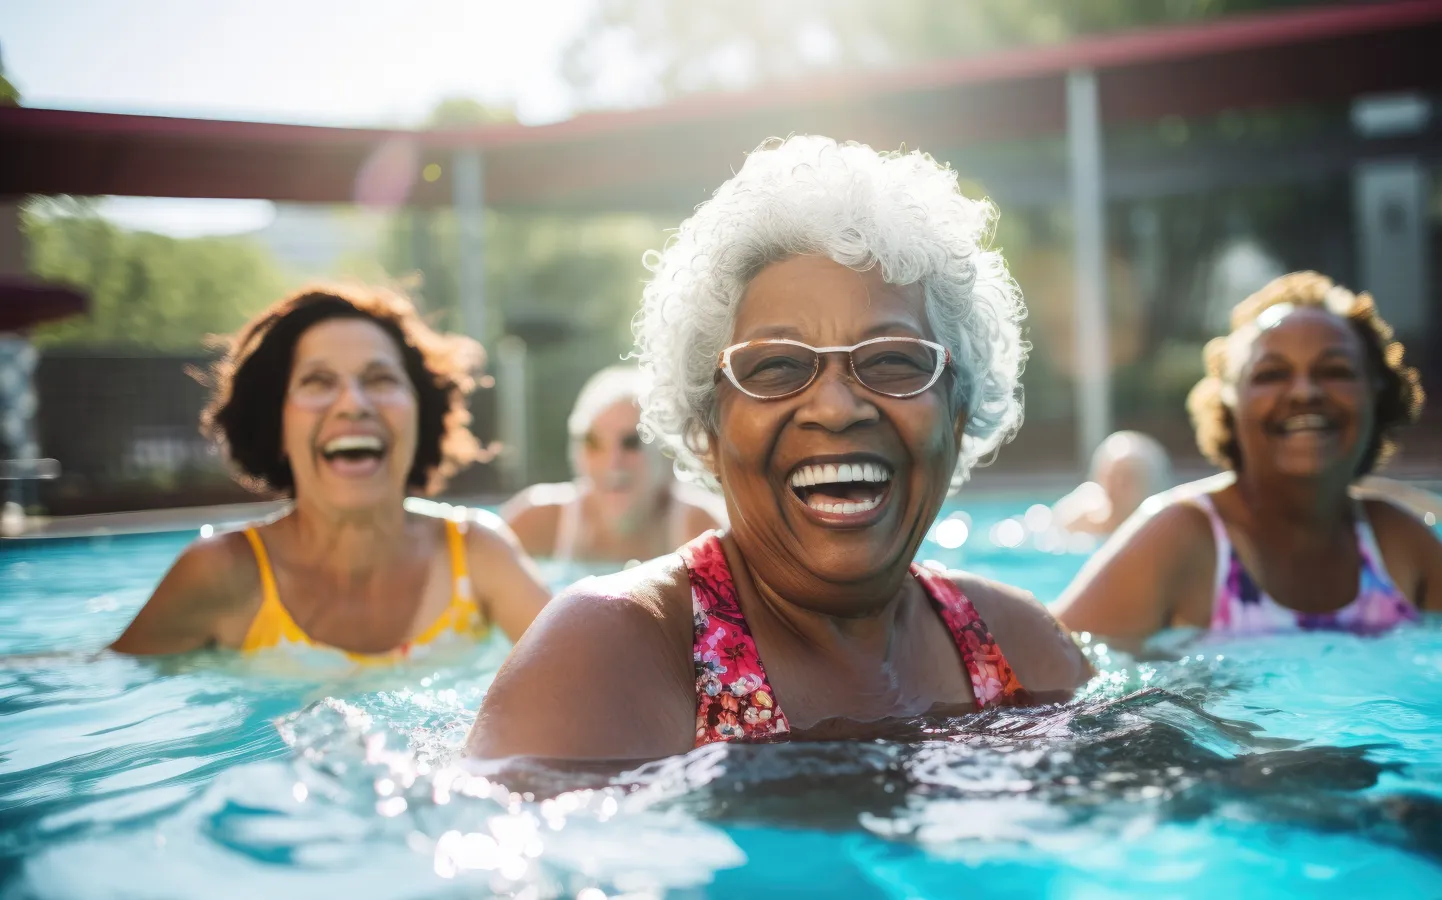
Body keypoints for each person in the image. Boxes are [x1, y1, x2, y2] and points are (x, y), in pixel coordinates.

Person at [468, 136, 1091, 762]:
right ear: (707, 431)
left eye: (895, 361)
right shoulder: (609, 656)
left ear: (956, 418)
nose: (836, 407)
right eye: (775, 368)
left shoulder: (1023, 649)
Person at [1051, 271, 1442, 647]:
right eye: (1272, 374)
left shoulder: (1392, 542)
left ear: (1376, 394)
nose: (1306, 392)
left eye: (1335, 371)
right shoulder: (1181, 538)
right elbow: (1036, 674)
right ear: (1229, 404)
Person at [111, 284, 550, 660]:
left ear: (421, 414)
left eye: (380, 379)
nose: (353, 404)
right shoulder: (219, 572)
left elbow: (591, 672)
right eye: (317, 382)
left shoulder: (479, 554)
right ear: (276, 424)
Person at [499, 365, 724, 566]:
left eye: (631, 443)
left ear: (665, 453)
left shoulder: (703, 532)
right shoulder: (536, 524)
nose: (612, 462)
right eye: (593, 443)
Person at [1054, 431, 1172, 536]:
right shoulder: (1077, 520)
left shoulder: (1160, 527)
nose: (1116, 487)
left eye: (1127, 479)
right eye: (1111, 477)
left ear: (1147, 485)